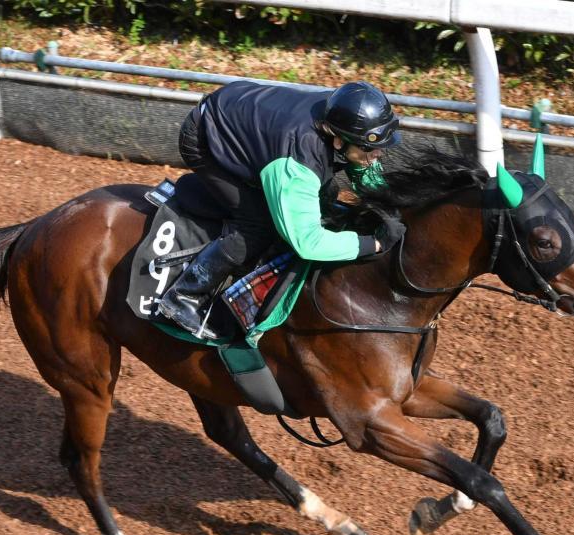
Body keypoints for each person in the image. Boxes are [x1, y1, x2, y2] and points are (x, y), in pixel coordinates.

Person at [157, 79, 407, 340]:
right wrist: (373, 244)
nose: (378, 153)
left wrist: (386, 203)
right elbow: (307, 243)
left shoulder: (341, 114)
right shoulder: (297, 162)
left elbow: (363, 165)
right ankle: (185, 294)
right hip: (205, 137)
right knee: (258, 224)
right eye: (369, 147)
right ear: (337, 141)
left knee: (328, 195)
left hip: (246, 117)